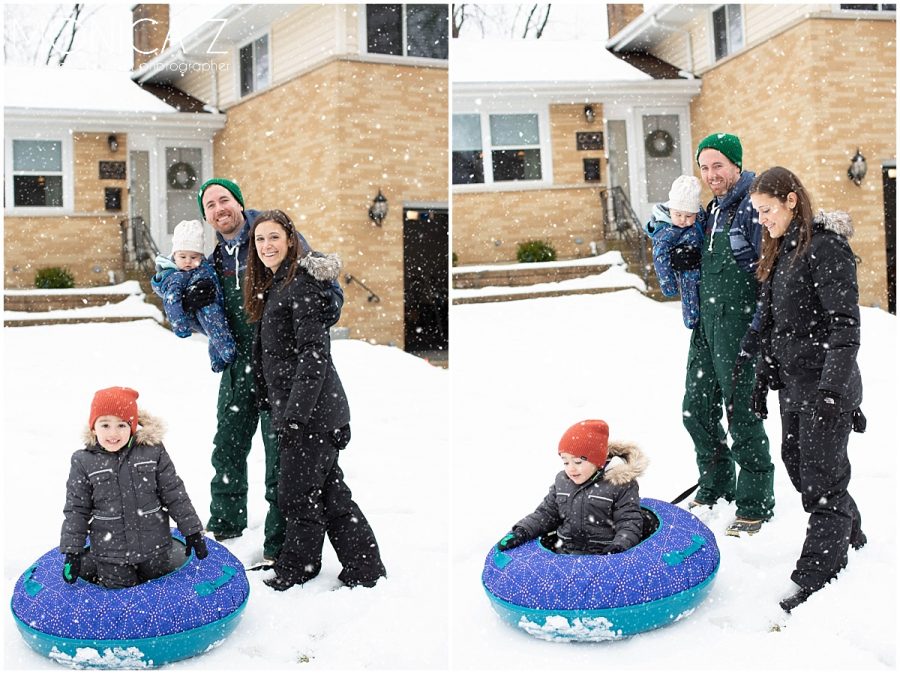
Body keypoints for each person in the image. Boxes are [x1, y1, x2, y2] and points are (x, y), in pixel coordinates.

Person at [188, 178, 342, 567]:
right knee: (228, 446)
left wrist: (326, 307)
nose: (219, 208)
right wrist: (193, 307)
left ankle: (278, 541)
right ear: (206, 216)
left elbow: (321, 283)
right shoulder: (212, 260)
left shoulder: (272, 236)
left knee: (280, 453)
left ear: (239, 203)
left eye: (224, 199)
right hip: (238, 363)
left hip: (279, 365)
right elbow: (207, 320)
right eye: (210, 205)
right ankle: (225, 527)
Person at [243, 209, 386, 590]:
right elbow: (274, 355)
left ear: (290, 240)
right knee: (329, 492)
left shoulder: (300, 285)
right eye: (259, 239)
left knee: (297, 493)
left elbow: (313, 355)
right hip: (307, 410)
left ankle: (298, 568)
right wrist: (267, 396)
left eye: (274, 237)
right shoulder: (277, 284)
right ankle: (365, 567)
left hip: (312, 413)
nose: (266, 245)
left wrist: (295, 417)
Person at [748, 167, 867, 613]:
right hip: (795, 386)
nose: (762, 219)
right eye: (757, 211)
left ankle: (817, 575)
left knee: (821, 481)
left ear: (791, 201)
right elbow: (776, 324)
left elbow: (845, 327)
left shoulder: (825, 249)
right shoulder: (781, 253)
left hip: (826, 386)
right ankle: (848, 527)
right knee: (799, 467)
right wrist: (764, 374)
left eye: (767, 210)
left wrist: (833, 392)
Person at [681, 132, 775, 537]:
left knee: (741, 413)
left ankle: (754, 501)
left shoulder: (752, 208)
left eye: (718, 165)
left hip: (739, 325)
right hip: (706, 323)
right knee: (695, 408)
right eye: (704, 167)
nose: (711, 174)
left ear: (736, 164)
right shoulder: (713, 209)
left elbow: (768, 267)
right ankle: (716, 483)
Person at [59, 387, 208, 589]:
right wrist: (73, 551)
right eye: (105, 425)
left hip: (154, 548)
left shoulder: (152, 451)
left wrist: (192, 531)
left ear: (133, 426)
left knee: (159, 597)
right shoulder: (84, 461)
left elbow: (174, 493)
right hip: (111, 555)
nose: (113, 433)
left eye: (121, 425)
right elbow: (76, 509)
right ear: (93, 427)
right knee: (120, 605)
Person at [496, 420, 646, 555]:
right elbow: (546, 514)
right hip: (567, 556)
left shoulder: (620, 484)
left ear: (598, 461)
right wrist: (523, 530)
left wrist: (619, 546)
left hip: (603, 558)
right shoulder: (563, 482)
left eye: (578, 462)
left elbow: (629, 520)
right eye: (566, 462)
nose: (571, 469)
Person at [151, 219, 236, 372]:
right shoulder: (176, 277)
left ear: (201, 256)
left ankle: (217, 360)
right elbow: (172, 301)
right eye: (183, 257)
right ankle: (227, 351)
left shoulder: (202, 267)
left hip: (211, 304)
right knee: (215, 325)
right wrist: (180, 326)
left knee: (215, 330)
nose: (188, 262)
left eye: (194, 257)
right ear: (174, 256)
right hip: (201, 310)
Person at [644, 175, 706, 329]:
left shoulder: (701, 219)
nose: (683, 220)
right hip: (687, 270)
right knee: (690, 292)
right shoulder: (667, 230)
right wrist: (668, 283)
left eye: (689, 215)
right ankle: (692, 320)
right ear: (670, 209)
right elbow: (660, 257)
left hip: (703, 267)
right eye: (678, 215)